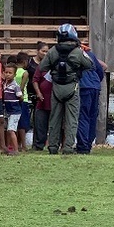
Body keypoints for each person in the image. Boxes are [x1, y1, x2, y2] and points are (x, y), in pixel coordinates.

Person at [39, 24, 94, 155]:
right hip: (72, 87)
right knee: (72, 119)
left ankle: (52, 147)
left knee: (54, 119)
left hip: (56, 88)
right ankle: (68, 147)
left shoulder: (52, 51)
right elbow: (90, 64)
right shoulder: (78, 51)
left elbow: (42, 67)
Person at [76, 42, 106, 154]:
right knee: (92, 116)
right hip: (95, 86)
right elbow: (100, 70)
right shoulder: (90, 54)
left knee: (83, 116)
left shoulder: (75, 55)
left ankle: (83, 146)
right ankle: (88, 143)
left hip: (84, 86)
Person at [2, 62, 23, 155]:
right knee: (8, 130)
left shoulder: (15, 86)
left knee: (11, 130)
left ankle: (16, 150)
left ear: (14, 75)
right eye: (6, 72)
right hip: (8, 110)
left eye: (10, 73)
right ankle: (9, 148)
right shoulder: (4, 84)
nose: (7, 74)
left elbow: (20, 97)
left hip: (15, 111)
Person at [31, 64, 52, 151]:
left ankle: (54, 145)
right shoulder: (42, 66)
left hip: (55, 100)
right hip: (42, 100)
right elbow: (35, 80)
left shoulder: (56, 65)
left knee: (55, 125)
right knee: (40, 124)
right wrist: (38, 93)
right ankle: (39, 145)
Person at [13, 51, 31, 151]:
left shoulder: (13, 71)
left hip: (13, 99)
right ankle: (23, 145)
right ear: (24, 62)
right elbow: (22, 86)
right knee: (23, 124)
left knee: (15, 122)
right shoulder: (25, 73)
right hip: (22, 99)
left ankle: (17, 144)